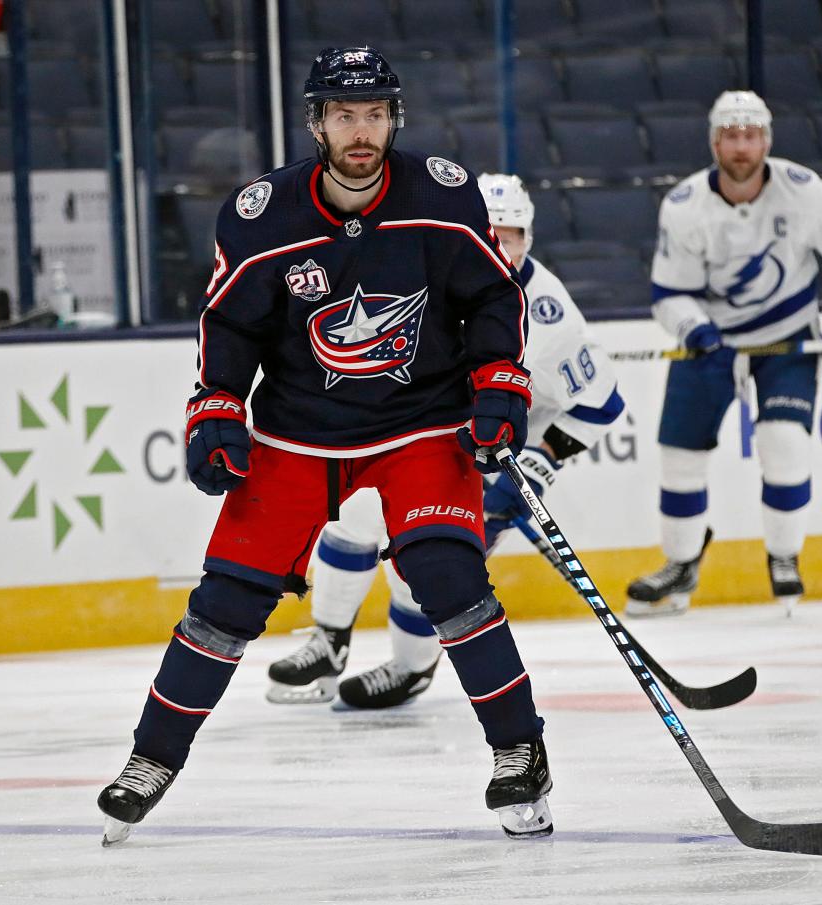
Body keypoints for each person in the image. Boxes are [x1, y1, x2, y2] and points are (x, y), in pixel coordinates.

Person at [97, 47, 554, 844]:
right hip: (299, 430)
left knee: (448, 576)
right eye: (344, 115)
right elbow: (231, 325)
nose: (361, 131)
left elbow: (491, 297)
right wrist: (215, 408)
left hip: (419, 421)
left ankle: (520, 750)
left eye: (375, 113)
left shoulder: (444, 198)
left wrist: (501, 383)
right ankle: (152, 757)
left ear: (393, 119)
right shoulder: (260, 214)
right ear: (316, 123)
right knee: (227, 599)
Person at [265, 172, 625, 710]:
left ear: (529, 238)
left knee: (425, 565)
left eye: (512, 234)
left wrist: (538, 465)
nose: (499, 245)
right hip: (432, 434)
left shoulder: (550, 319)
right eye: (489, 230)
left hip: (500, 454)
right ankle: (331, 640)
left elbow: (601, 404)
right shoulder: (432, 267)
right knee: (351, 514)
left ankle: (412, 668)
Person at [624, 90, 822, 617]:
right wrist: (696, 331)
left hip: (788, 339)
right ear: (714, 142)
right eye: (730, 135)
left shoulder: (803, 192)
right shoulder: (684, 206)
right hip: (712, 342)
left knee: (783, 442)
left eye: (751, 135)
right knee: (680, 458)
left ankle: (784, 557)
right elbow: (669, 293)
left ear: (766, 139)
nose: (741, 147)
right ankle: (680, 562)